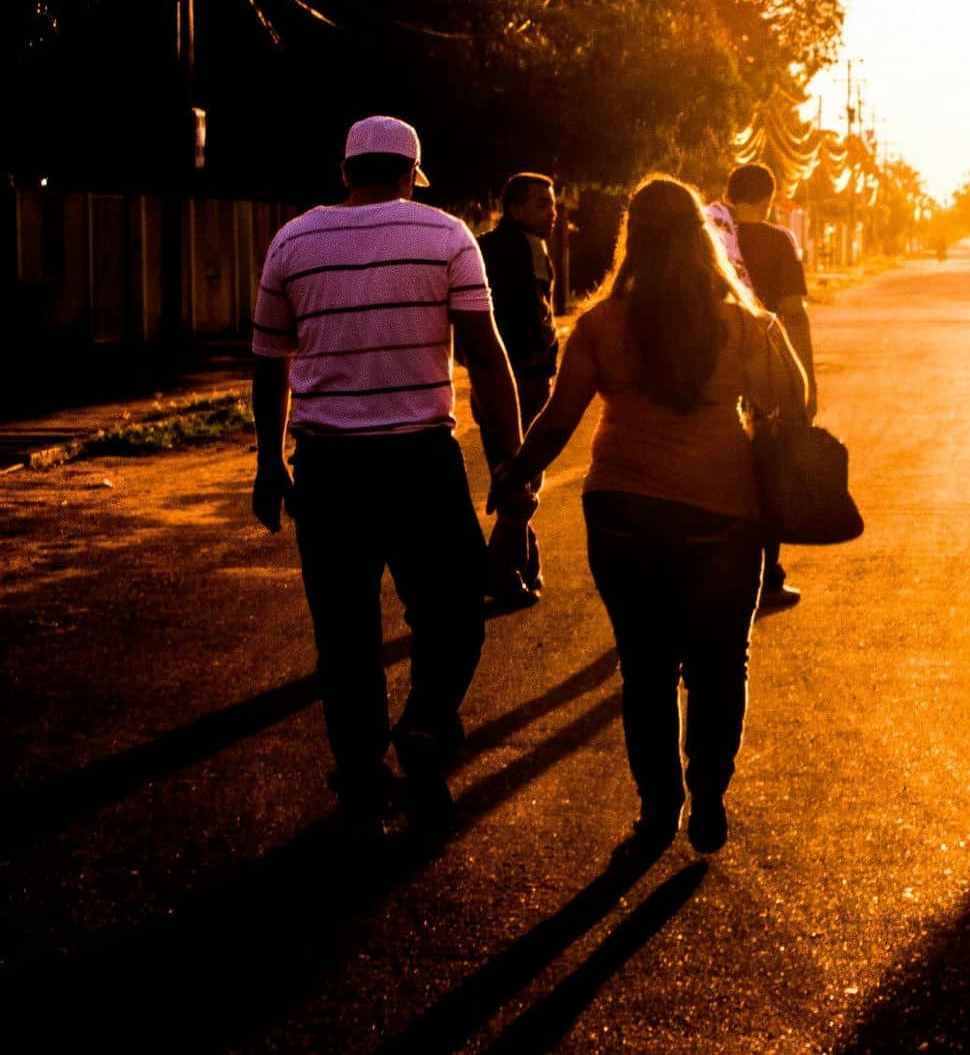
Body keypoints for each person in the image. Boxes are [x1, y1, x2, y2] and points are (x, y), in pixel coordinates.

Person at [493, 175, 807, 852]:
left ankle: (659, 808)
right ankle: (710, 796)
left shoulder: (601, 323)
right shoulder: (744, 320)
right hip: (724, 515)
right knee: (723, 664)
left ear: (631, 238)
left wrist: (517, 473)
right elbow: (794, 399)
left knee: (646, 668)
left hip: (623, 515)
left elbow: (557, 422)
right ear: (702, 236)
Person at [250, 115, 524, 827]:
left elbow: (269, 361)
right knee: (456, 613)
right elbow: (487, 356)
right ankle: (426, 722)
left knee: (345, 633)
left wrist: (265, 461)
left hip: (328, 467)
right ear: (410, 174)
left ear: (346, 171)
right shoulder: (446, 235)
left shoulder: (291, 240)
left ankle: (363, 769)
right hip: (420, 462)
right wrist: (513, 459)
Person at [724, 163, 818, 615]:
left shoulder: (711, 236)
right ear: (770, 198)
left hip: (715, 372)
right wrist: (805, 382)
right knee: (769, 474)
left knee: (718, 473)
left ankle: (713, 572)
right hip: (764, 373)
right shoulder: (779, 241)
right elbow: (793, 314)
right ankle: (767, 578)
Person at [474, 171, 560, 607]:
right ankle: (498, 568)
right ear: (515, 208)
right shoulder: (528, 249)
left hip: (484, 379)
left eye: (553, 204)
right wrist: (547, 366)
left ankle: (524, 564)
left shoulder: (480, 248)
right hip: (523, 379)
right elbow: (539, 324)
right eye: (543, 204)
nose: (553, 214)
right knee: (522, 474)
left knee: (508, 468)